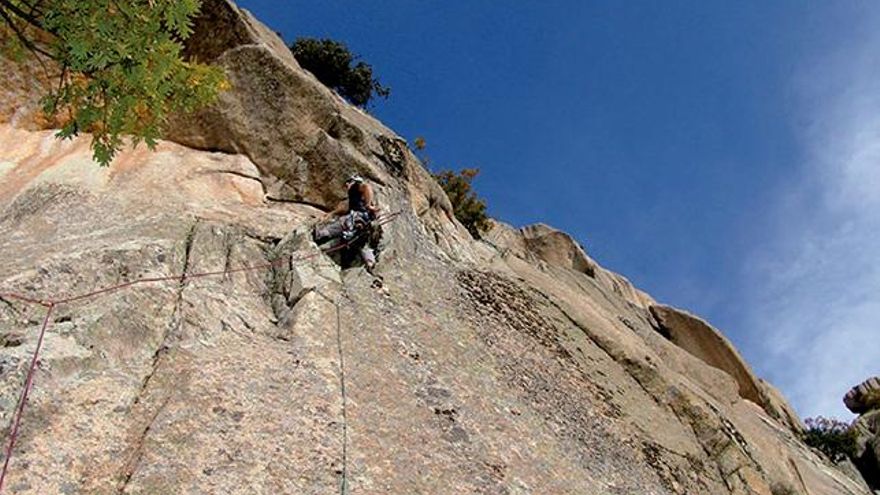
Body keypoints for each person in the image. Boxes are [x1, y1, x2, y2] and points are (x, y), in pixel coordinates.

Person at [313, 174, 381, 273]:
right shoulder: (356, 198)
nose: (346, 187)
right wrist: (332, 213)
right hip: (363, 223)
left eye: (346, 185)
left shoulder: (355, 186)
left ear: (350, 182)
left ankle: (318, 235)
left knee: (332, 229)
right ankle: (370, 263)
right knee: (362, 244)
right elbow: (346, 209)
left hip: (354, 219)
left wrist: (368, 205)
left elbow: (367, 187)